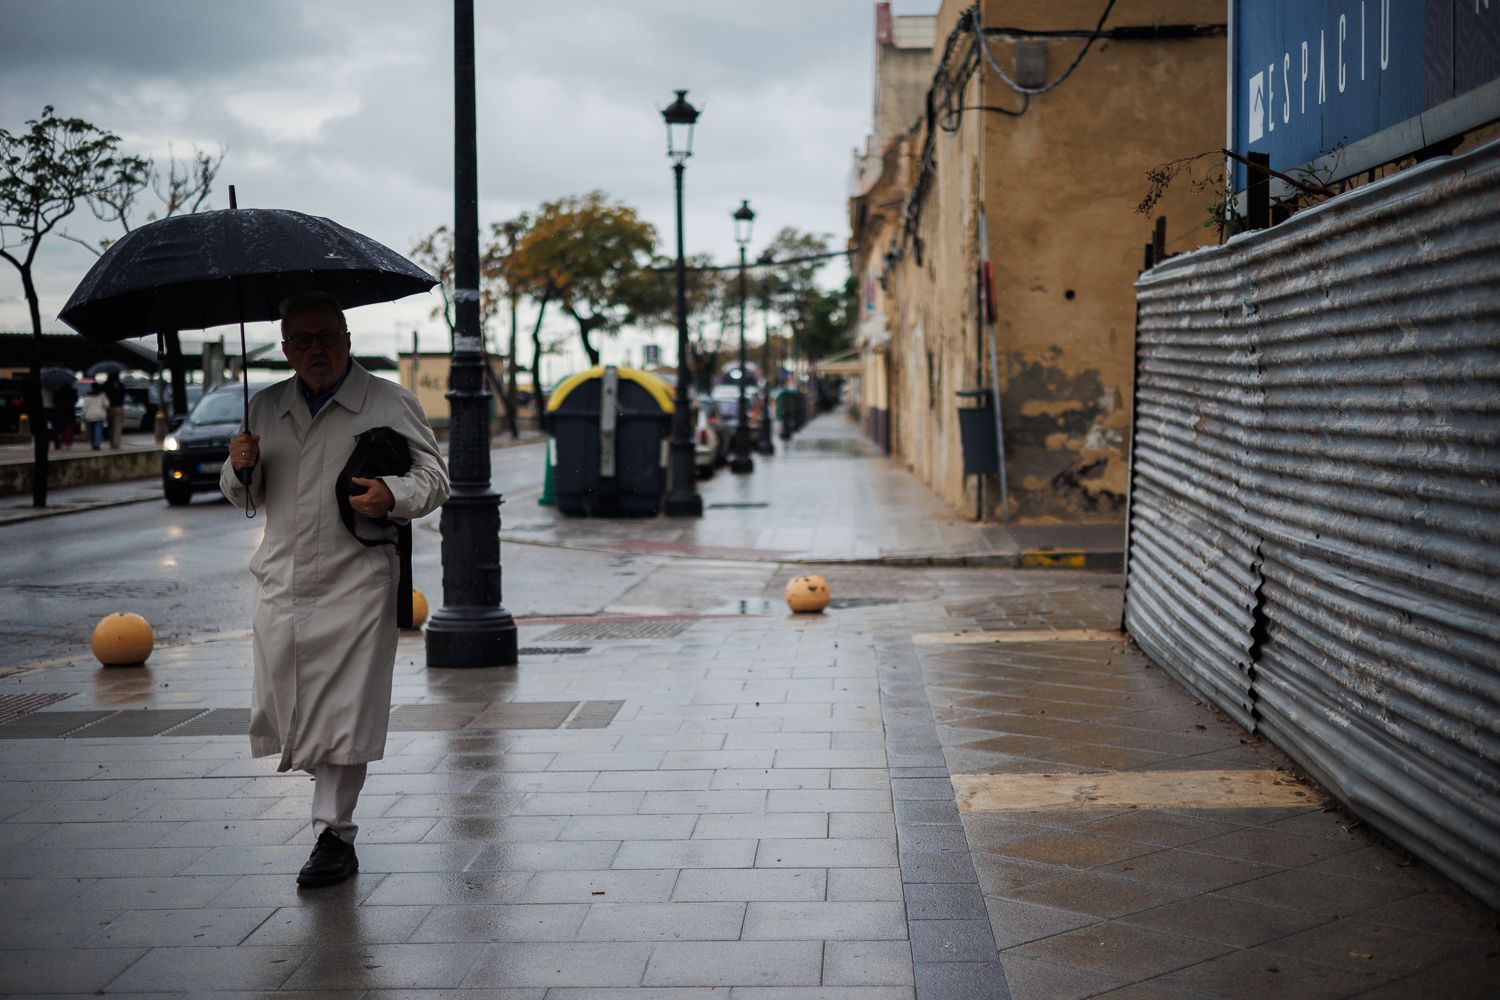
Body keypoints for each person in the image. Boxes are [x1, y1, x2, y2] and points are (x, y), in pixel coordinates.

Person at [222, 291, 449, 888]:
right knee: (289, 701)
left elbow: (434, 476)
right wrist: (239, 467)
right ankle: (328, 804)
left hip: (357, 580)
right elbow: (247, 498)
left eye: (327, 337)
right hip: (283, 578)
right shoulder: (265, 408)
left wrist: (392, 496)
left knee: (345, 708)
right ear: (285, 347)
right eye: (303, 340)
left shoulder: (387, 400)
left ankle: (334, 834)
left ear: (347, 339)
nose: (316, 350)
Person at [81, 383, 108, 450]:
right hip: (99, 415)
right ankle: (97, 444)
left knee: (92, 431)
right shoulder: (102, 395)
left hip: (89, 416)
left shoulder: (88, 396)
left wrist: (82, 416)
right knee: (98, 430)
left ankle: (93, 444)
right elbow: (107, 405)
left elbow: (84, 407)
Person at [101, 372, 125, 448]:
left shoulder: (106, 385)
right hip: (119, 407)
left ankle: (111, 444)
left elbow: (103, 394)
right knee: (118, 427)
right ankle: (116, 444)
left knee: (110, 427)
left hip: (109, 408)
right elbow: (124, 394)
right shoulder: (121, 385)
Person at [52, 379, 77, 449]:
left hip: (61, 411)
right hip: (70, 411)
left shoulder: (59, 391)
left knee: (62, 427)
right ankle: (68, 442)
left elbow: (54, 401)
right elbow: (75, 400)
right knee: (69, 428)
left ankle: (63, 441)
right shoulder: (73, 391)